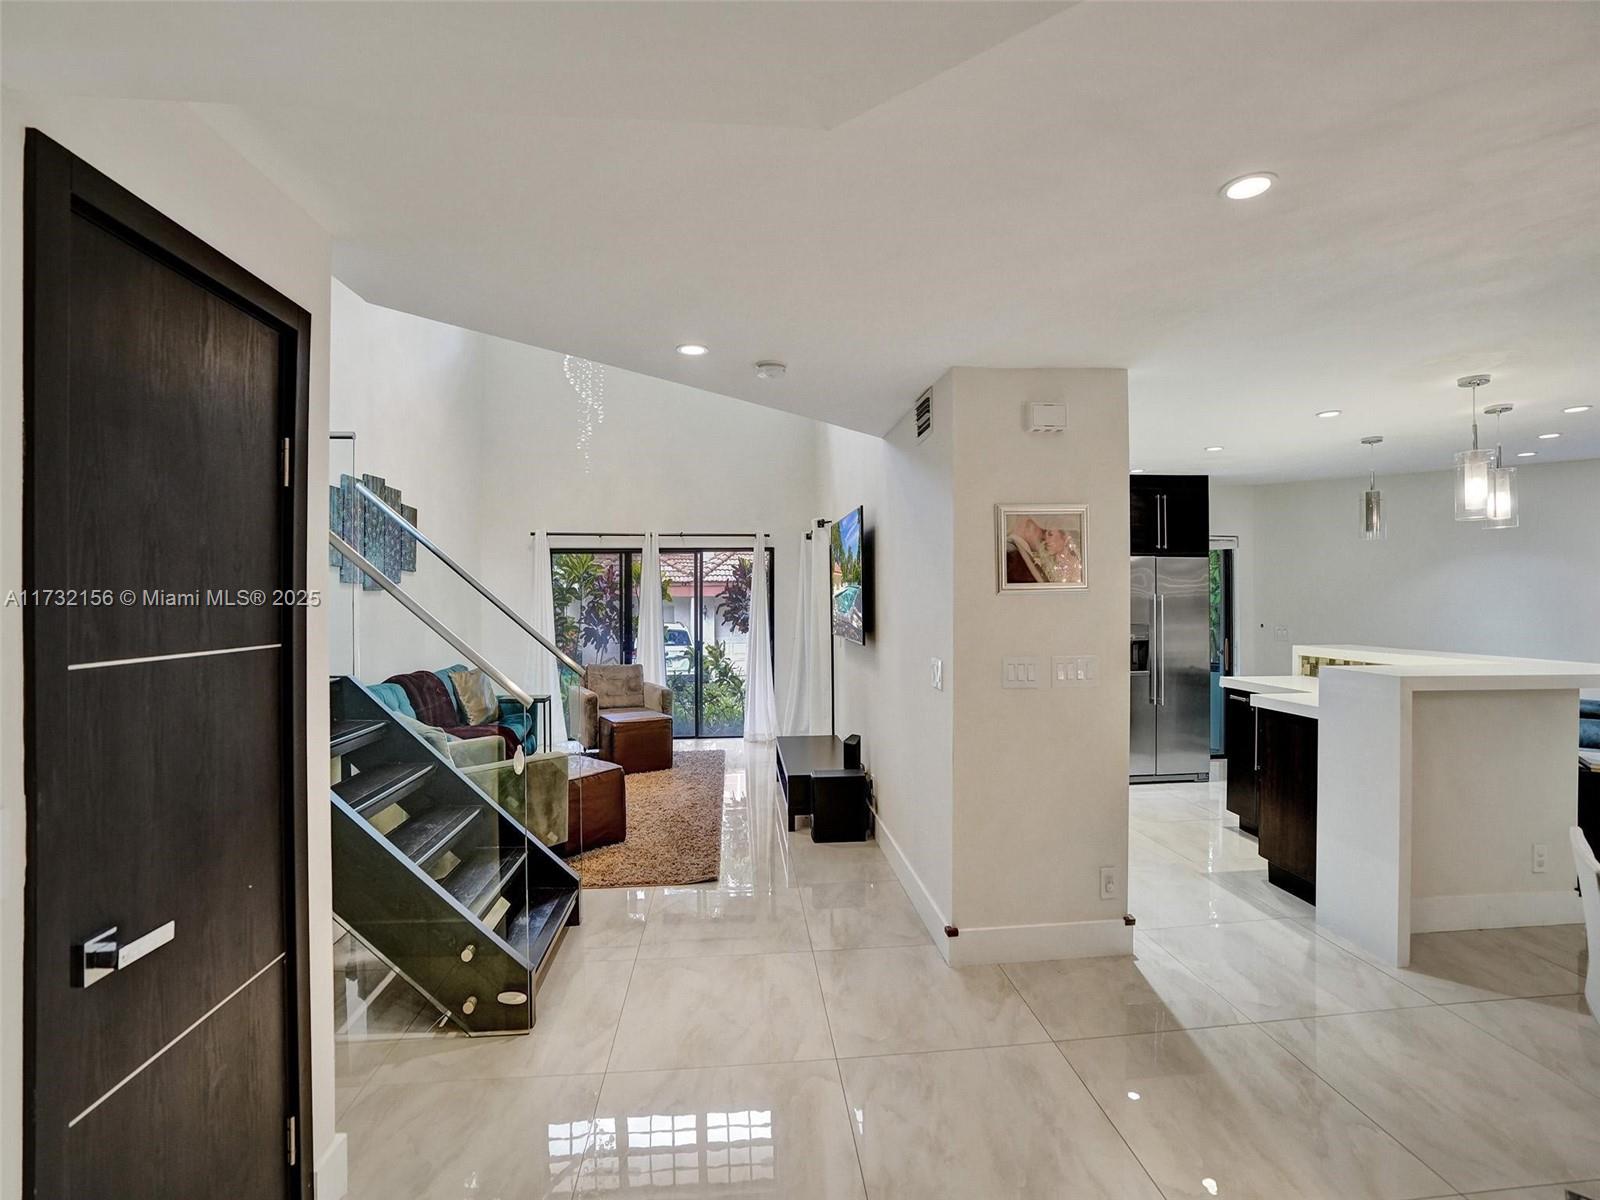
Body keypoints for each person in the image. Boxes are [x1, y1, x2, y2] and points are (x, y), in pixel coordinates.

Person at [1004, 517, 1048, 583]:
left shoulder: (1017, 551)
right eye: (1043, 531)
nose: (1045, 537)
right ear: (1029, 526)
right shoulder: (1009, 553)